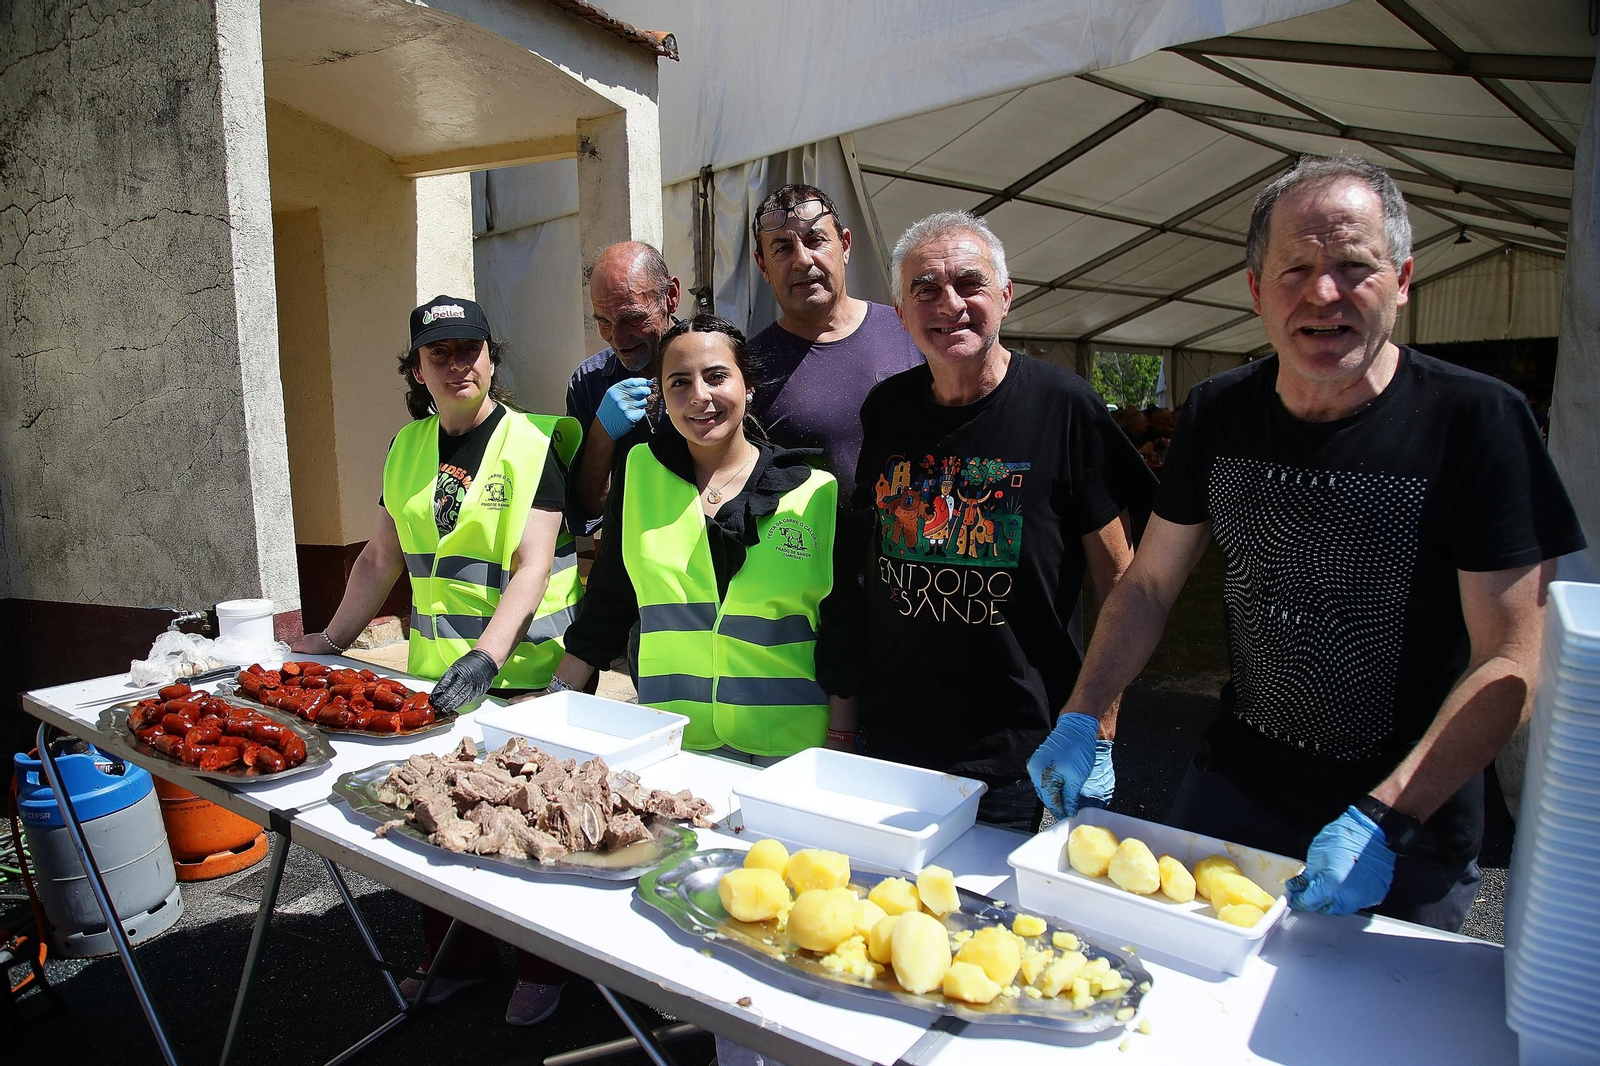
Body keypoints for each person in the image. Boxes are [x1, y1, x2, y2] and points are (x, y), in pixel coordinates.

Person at [1028, 156, 1585, 931]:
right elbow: (1150, 584)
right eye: (1295, 270)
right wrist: (1084, 713)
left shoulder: (1478, 423)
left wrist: (1387, 816)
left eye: (1355, 266)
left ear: (1402, 280)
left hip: (1405, 819)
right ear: (1256, 290)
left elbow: (1514, 656)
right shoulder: (1218, 412)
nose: (1324, 294)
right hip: (1234, 790)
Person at [291, 294, 583, 1024]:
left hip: (522, 679)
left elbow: (533, 565)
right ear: (417, 369)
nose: (458, 366)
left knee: (528, 822)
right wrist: (328, 642)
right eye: (439, 354)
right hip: (435, 677)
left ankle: (545, 966)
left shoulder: (532, 443)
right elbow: (380, 558)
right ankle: (459, 959)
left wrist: (488, 657)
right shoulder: (406, 447)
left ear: (491, 358)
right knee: (436, 818)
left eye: (470, 350)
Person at [852, 211, 1156, 830]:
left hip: (1017, 752)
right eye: (926, 289)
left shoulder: (1064, 406)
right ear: (901, 312)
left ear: (1007, 295)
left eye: (970, 283)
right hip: (895, 743)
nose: (950, 304)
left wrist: (1098, 722)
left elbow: (1120, 576)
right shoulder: (886, 408)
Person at [546, 314, 856, 763]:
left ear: (748, 386)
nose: (699, 396)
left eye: (716, 377)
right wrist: (553, 697)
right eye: (679, 382)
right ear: (661, 395)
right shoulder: (639, 475)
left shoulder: (813, 492)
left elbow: (843, 632)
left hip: (789, 750)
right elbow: (608, 602)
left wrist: (841, 743)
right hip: (672, 742)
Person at [747, 184, 924, 500]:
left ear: (845, 245)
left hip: (920, 529)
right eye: (783, 248)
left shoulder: (911, 330)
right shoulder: (748, 367)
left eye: (815, 240)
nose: (802, 260)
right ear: (763, 266)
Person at [565, 241, 681, 534]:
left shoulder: (716, 365)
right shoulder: (588, 381)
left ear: (671, 297)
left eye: (632, 318)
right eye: (604, 321)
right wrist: (602, 434)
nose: (618, 338)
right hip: (626, 553)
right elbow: (588, 507)